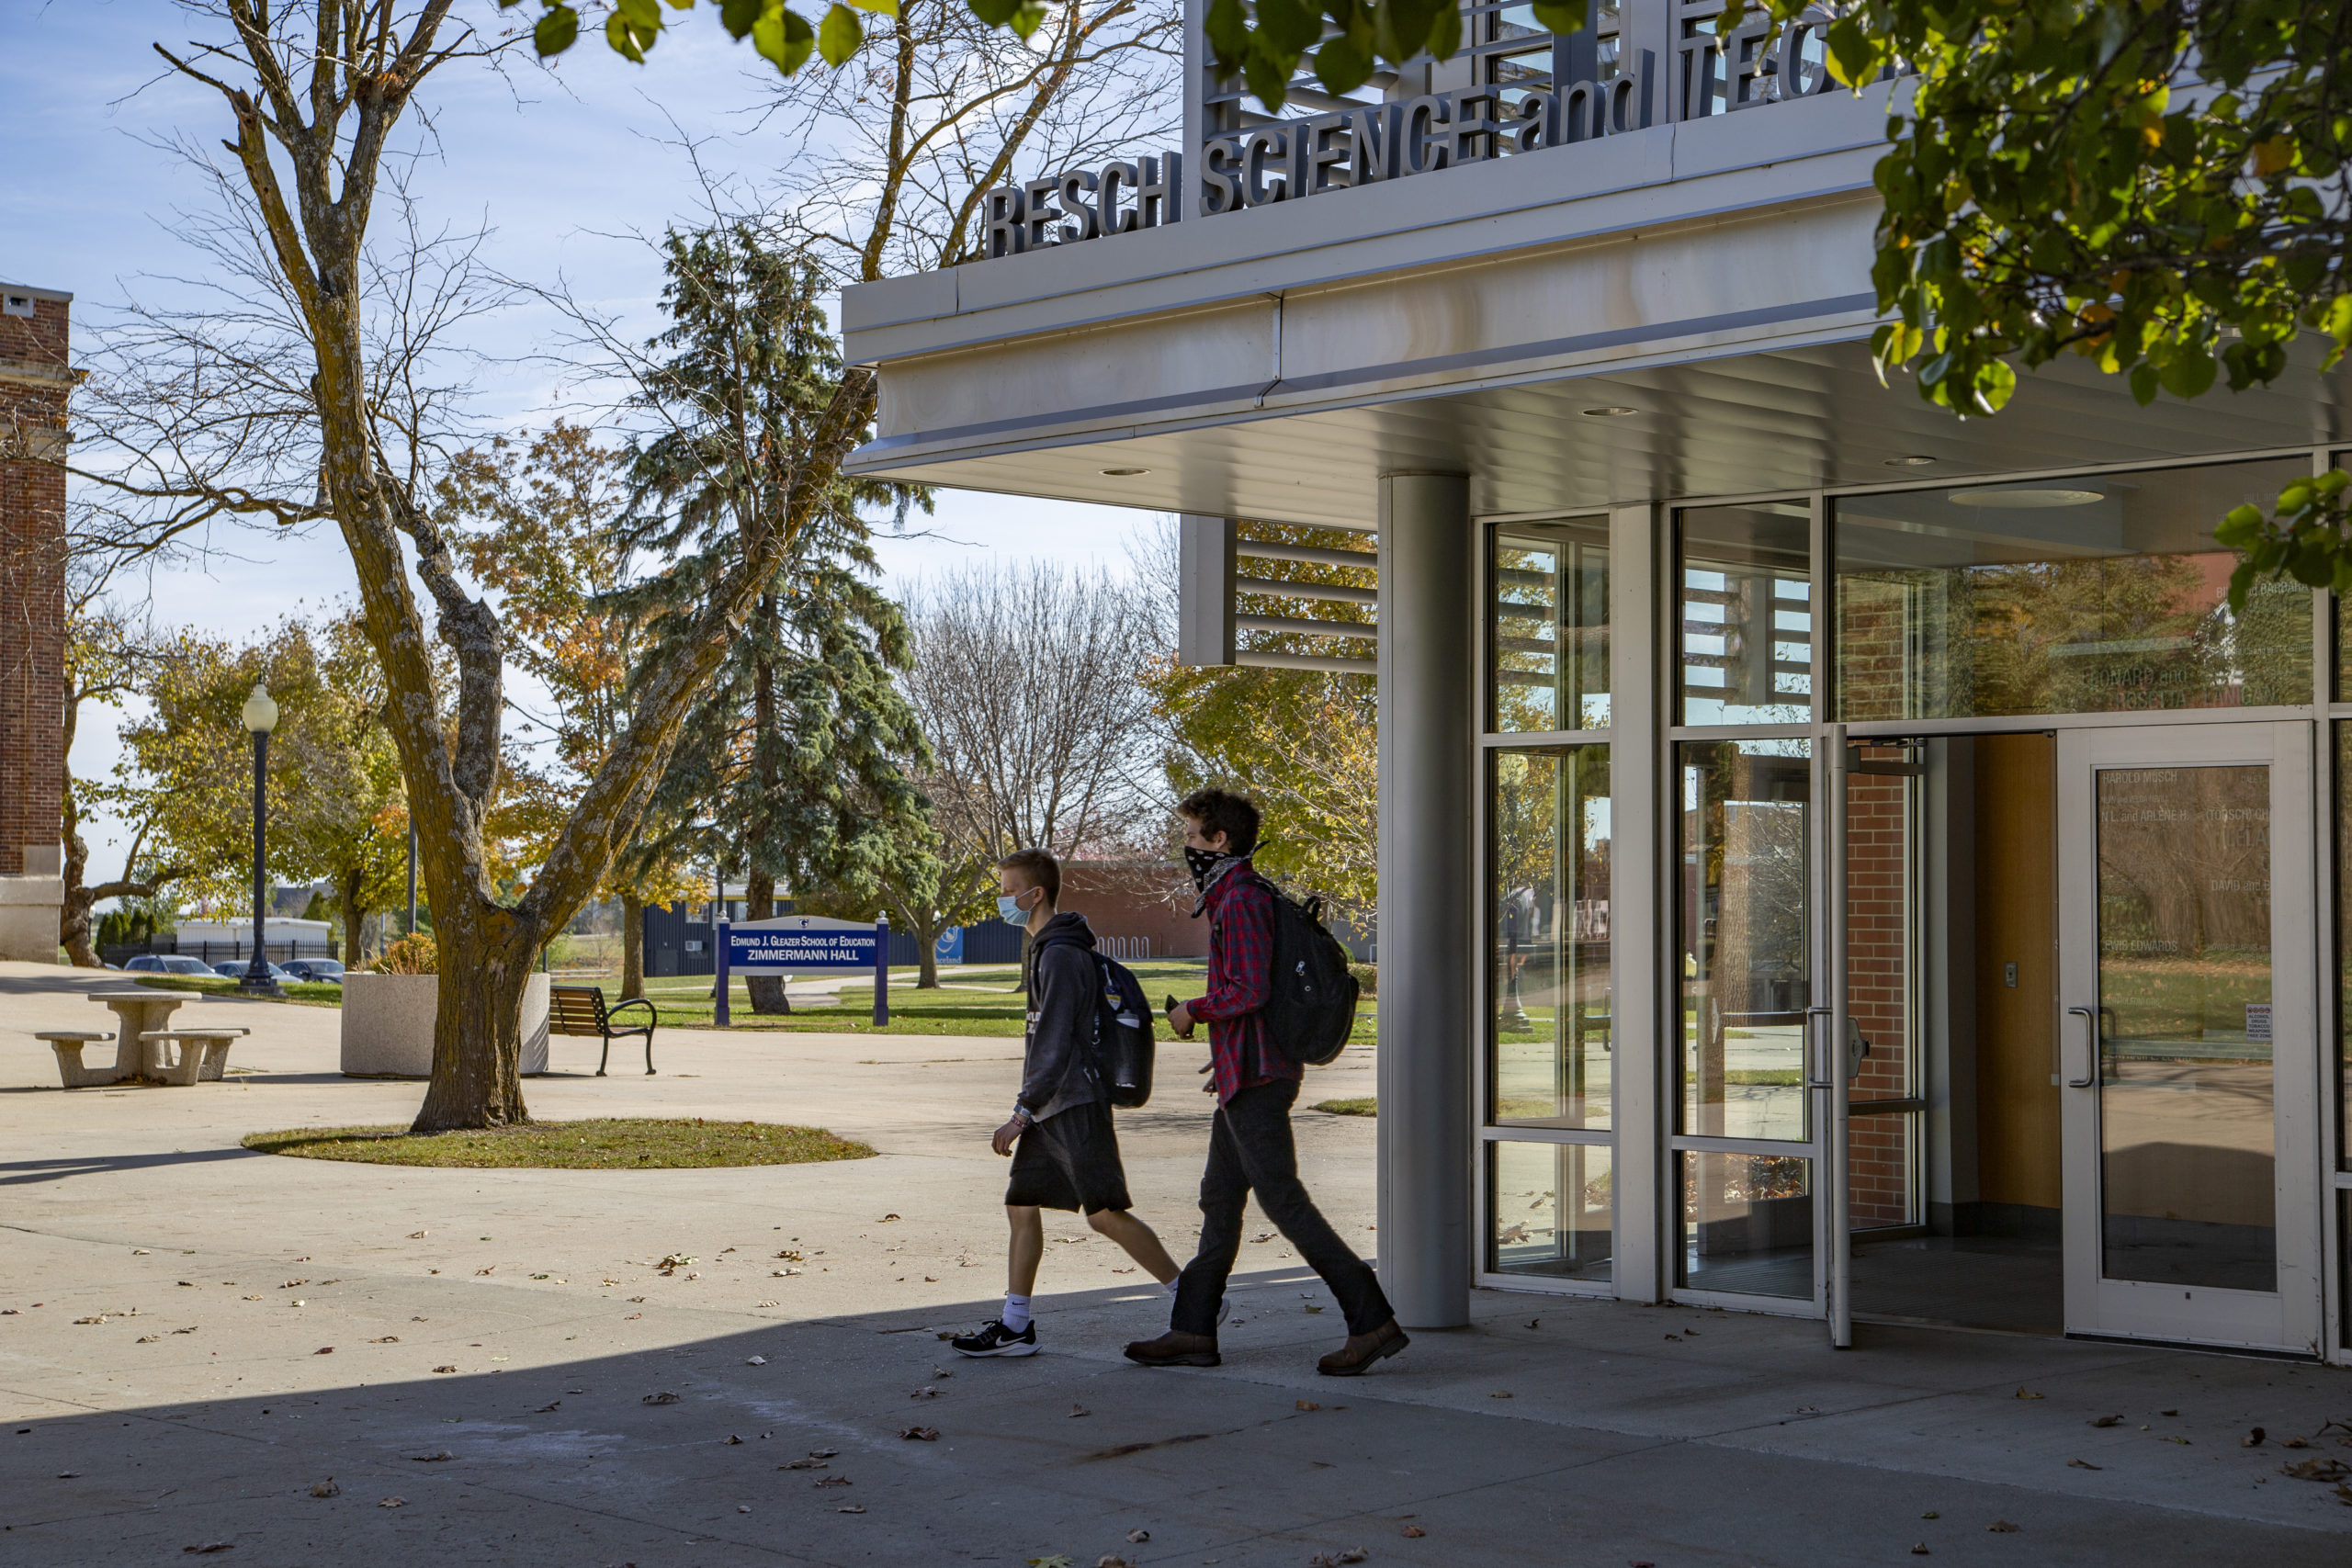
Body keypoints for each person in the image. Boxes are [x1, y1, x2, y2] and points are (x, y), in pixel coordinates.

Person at [1125, 788, 1408, 1377]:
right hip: (1242, 1074)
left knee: (1283, 1201)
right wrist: (1223, 1057)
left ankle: (1372, 1319)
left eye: (1192, 834)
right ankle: (1193, 1330)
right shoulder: (1230, 895)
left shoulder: (1244, 899)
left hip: (1259, 1079)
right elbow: (1255, 1001)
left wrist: (1193, 1013)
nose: (1186, 844)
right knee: (1219, 1203)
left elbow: (1248, 992)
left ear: (1219, 840)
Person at [951, 847, 1186, 1358]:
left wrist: (1020, 1114)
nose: (1002, 898)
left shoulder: (1060, 954)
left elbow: (1055, 1042)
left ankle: (1191, 1301)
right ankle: (1016, 1327)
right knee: (1021, 1206)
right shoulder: (1046, 948)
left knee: (1104, 1214)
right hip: (1052, 1106)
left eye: (1009, 889)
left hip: (1074, 1105)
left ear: (1035, 894)